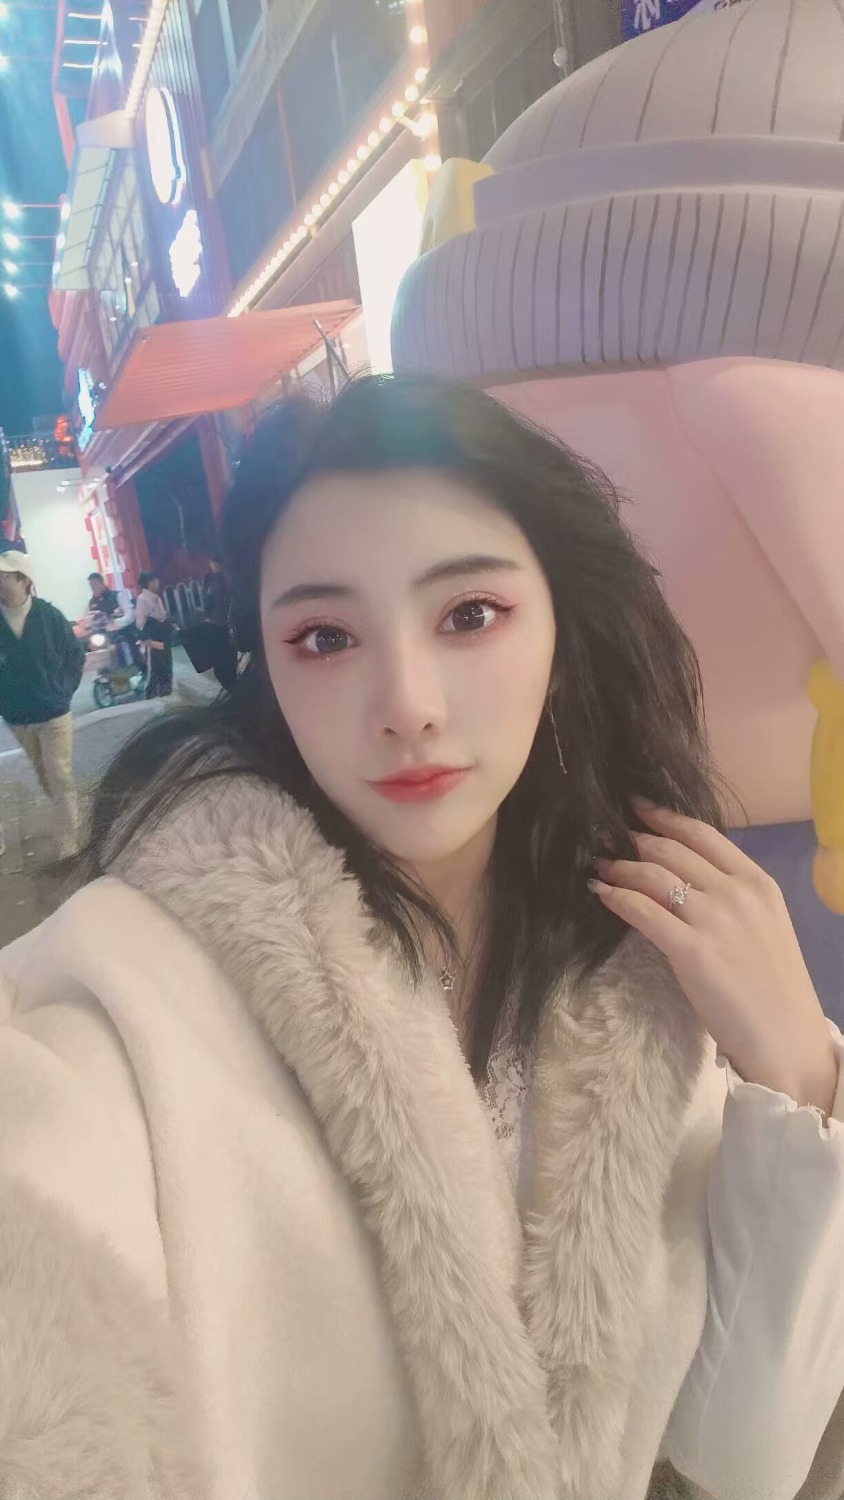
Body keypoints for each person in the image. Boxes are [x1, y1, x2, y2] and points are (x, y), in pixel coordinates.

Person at [0, 376, 842, 1500]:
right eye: (325, 636)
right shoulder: (125, 990)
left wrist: (801, 1075)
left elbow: (745, 1460)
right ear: (265, 664)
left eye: (469, 615)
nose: (406, 702)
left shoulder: (652, 972)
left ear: (562, 629)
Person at [0, 547, 84, 859]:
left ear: (24, 581)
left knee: (59, 774)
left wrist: (63, 692)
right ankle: (68, 811)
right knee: (44, 775)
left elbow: (74, 655)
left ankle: (67, 845)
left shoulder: (49, 616)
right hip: (19, 717)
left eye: (5, 576)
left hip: (54, 714)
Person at [86, 571, 145, 675]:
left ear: (102, 583)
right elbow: (89, 618)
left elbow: (130, 615)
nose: (93, 588)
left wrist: (116, 623)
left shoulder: (118, 595)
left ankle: (138, 669)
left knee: (128, 647)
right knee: (98, 652)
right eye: (91, 586)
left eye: (95, 584)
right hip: (104, 636)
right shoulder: (92, 602)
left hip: (123, 632)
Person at [134, 570, 172, 698]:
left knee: (166, 661)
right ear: (149, 583)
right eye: (155, 580)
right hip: (152, 639)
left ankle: (165, 688)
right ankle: (151, 690)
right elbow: (140, 622)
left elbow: (162, 616)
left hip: (163, 636)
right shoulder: (142, 599)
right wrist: (147, 638)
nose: (157, 583)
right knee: (155, 664)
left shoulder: (157, 598)